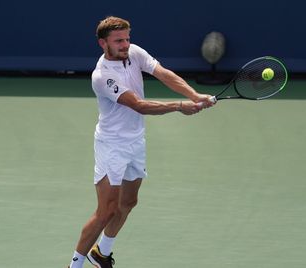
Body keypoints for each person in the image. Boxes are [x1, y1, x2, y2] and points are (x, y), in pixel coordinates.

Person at [68, 16, 215, 268]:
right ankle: (74, 265)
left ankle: (101, 253)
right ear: (103, 44)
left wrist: (194, 94)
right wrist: (180, 106)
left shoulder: (134, 52)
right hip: (111, 145)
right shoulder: (102, 76)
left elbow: (163, 74)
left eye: (127, 38)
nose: (125, 44)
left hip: (136, 142)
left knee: (128, 202)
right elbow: (137, 105)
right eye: (118, 41)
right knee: (106, 211)